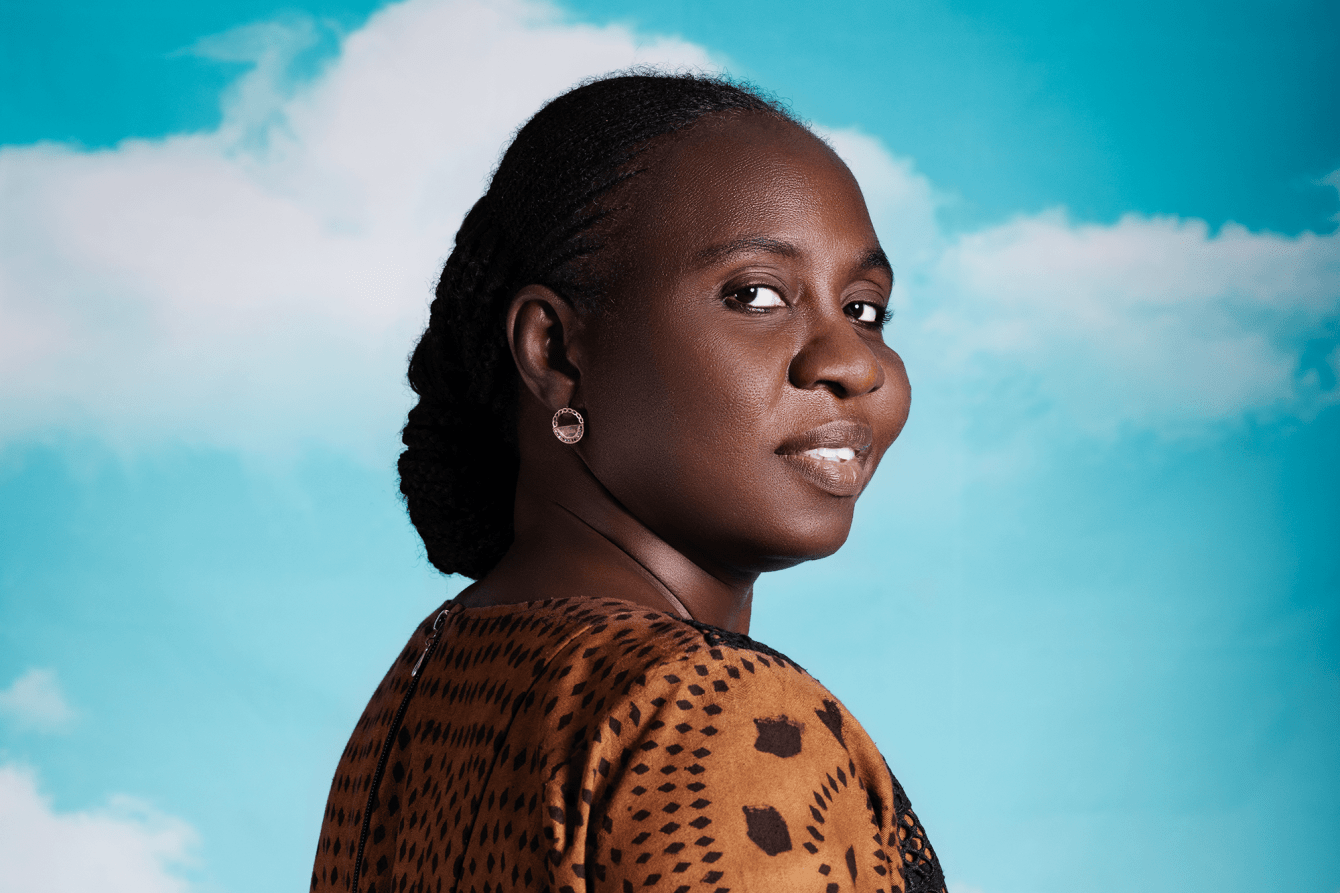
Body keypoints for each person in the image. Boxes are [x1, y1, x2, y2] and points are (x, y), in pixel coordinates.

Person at [311, 72, 944, 893]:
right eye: (755, 295)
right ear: (556, 353)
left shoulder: (427, 684)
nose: (853, 362)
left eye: (864, 309)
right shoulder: (715, 711)